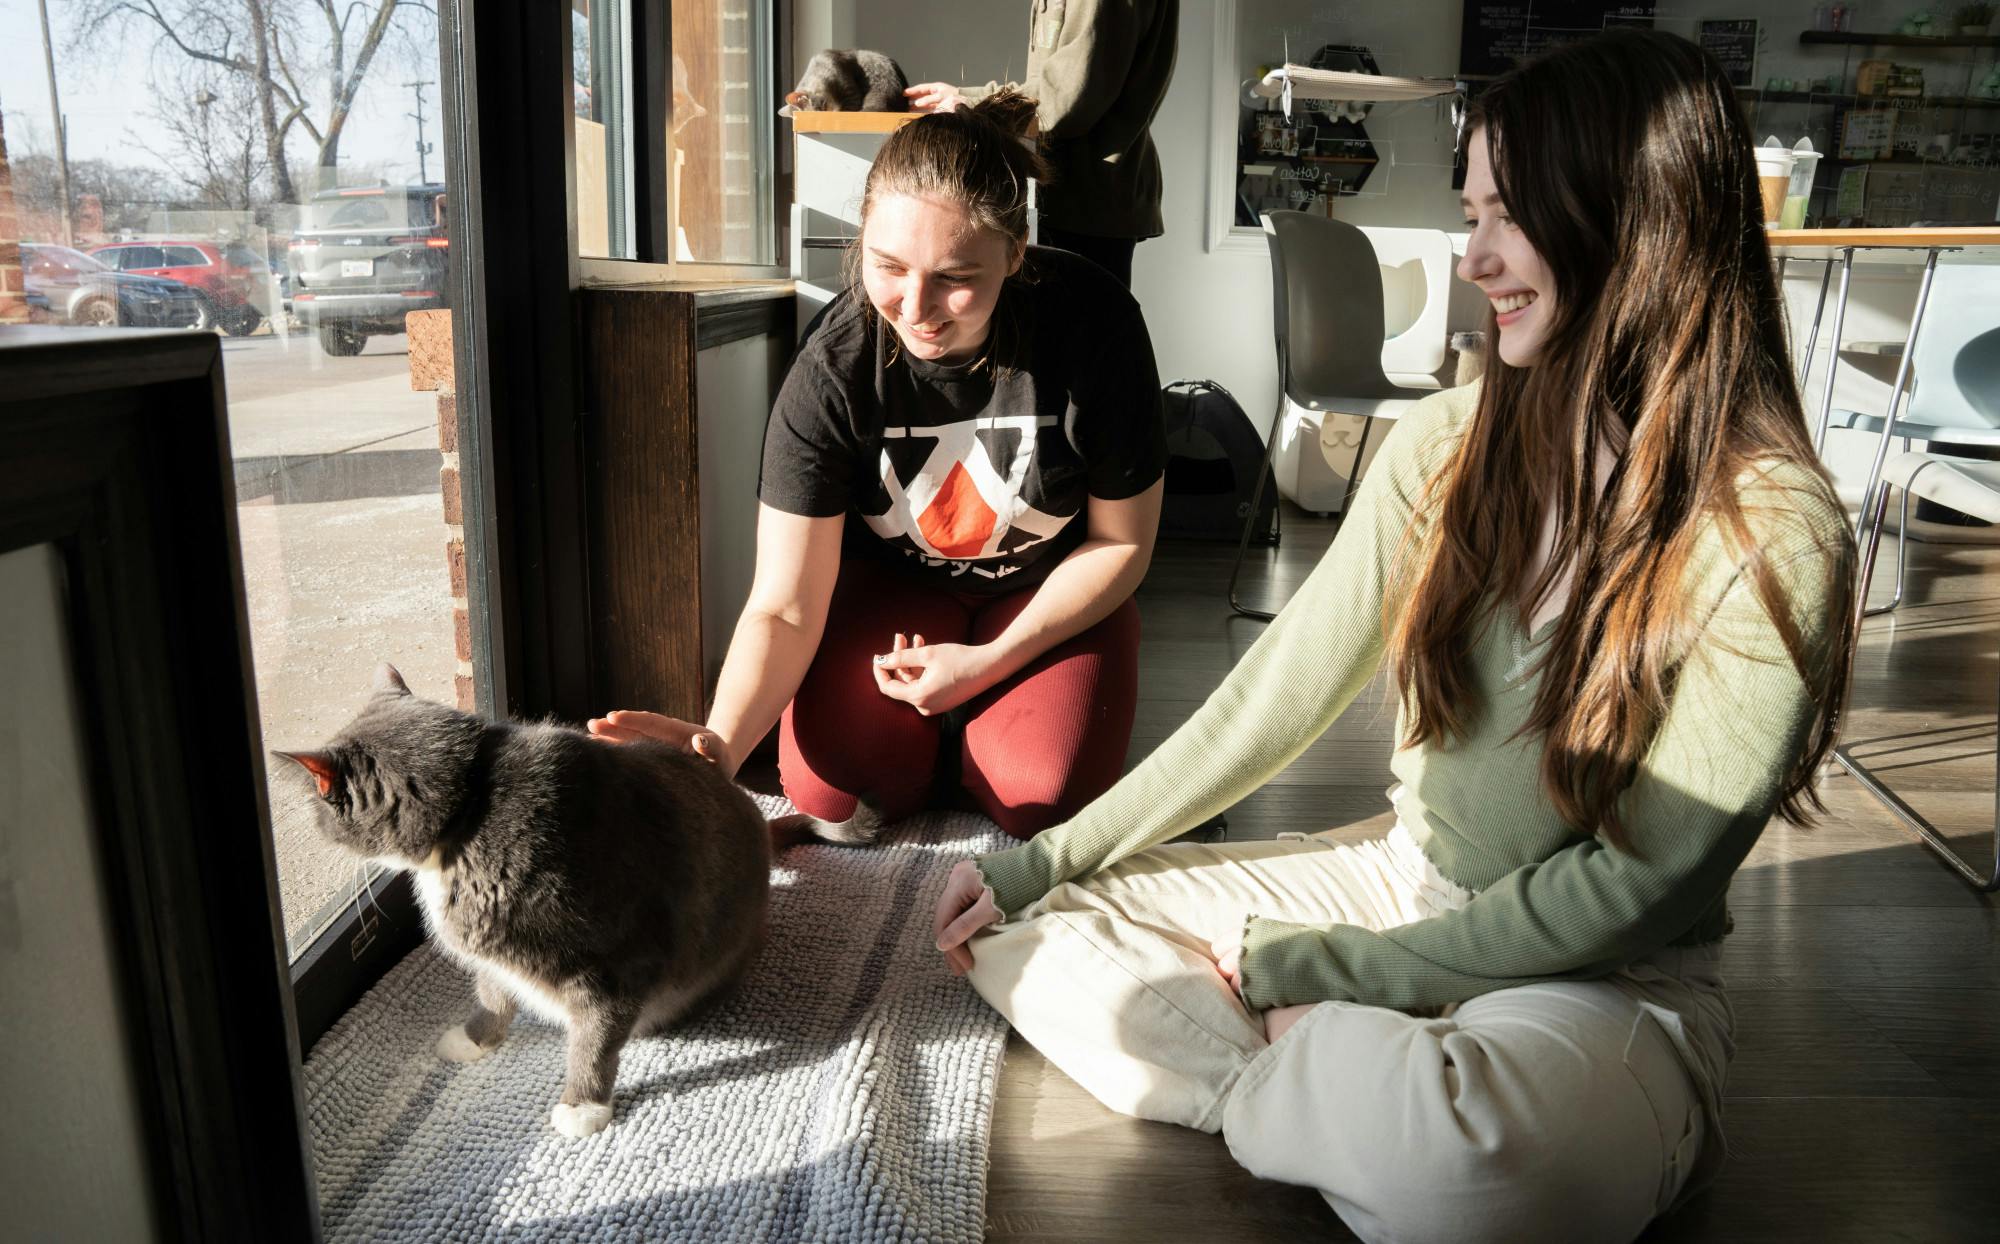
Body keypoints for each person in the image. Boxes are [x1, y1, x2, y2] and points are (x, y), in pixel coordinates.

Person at [930, 29, 1857, 1242]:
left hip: (1602, 976)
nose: (1471, 257)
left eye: (1505, 216)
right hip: (1396, 880)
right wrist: (1043, 861)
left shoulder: (1774, 529)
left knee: (1493, 1168)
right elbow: (1268, 701)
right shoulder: (1443, 445)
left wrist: (1319, 973)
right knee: (1034, 934)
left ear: (1638, 218)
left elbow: (1635, 885)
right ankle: (1339, 1083)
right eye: (1467, 211)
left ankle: (1336, 1076)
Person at [589, 91, 1166, 842]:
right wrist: (721, 747)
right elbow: (785, 603)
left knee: (1044, 798)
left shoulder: (1096, 326)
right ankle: (948, 741)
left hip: (1045, 593)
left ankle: (975, 731)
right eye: (888, 266)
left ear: (1014, 253)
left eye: (957, 276)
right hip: (895, 596)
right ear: (861, 241)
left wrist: (988, 663)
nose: (916, 307)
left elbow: (1122, 543)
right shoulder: (834, 365)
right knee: (834, 794)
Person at [905, 0, 1178, 288]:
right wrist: (966, 97)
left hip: (1082, 203)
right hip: (1083, 198)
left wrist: (973, 104)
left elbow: (1065, 100)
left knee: (1079, 328)